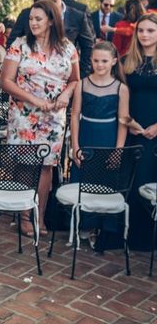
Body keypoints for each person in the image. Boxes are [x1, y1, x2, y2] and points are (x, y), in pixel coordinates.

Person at [1, 0, 79, 237]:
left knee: (46, 167)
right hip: (24, 115)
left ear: (51, 21)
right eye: (31, 19)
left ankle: (39, 216)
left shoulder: (67, 48)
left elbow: (75, 79)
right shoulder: (20, 45)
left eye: (38, 19)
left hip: (54, 118)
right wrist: (34, 101)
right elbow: (6, 81)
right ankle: (24, 215)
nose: (33, 23)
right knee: (25, 165)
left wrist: (66, 94)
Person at [69, 41, 130, 249]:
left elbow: (123, 121)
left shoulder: (121, 88)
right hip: (87, 135)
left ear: (114, 61)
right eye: (95, 60)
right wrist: (75, 144)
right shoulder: (82, 84)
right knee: (83, 179)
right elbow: (75, 115)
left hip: (108, 137)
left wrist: (118, 150)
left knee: (105, 182)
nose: (100, 65)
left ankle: (101, 227)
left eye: (104, 61)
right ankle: (84, 224)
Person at [7, 0, 94, 78]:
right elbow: (11, 43)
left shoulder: (77, 16)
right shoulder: (27, 14)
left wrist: (80, 76)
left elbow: (88, 48)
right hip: (30, 79)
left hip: (64, 80)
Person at [123, 13, 157, 250]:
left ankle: (150, 239)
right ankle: (131, 236)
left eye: (150, 31)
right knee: (133, 179)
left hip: (156, 129)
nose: (145, 35)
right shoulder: (127, 61)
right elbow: (122, 96)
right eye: (141, 30)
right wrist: (129, 122)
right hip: (133, 128)